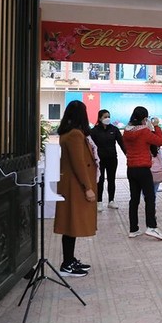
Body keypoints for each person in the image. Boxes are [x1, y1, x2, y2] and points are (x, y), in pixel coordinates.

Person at [54, 100, 98, 277]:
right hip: (75, 186)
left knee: (71, 223)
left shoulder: (68, 132)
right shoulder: (74, 135)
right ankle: (67, 264)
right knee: (72, 223)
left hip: (72, 184)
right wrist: (87, 187)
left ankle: (70, 259)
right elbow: (79, 163)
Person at [123, 107, 162, 240]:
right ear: (144, 118)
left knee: (134, 199)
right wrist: (156, 126)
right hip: (143, 168)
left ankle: (133, 229)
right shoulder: (144, 132)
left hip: (131, 169)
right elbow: (160, 141)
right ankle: (151, 227)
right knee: (150, 198)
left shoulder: (126, 131)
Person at [90, 109, 126, 212]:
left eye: (108, 116)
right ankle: (99, 202)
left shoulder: (114, 129)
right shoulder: (94, 131)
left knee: (111, 179)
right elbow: (90, 146)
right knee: (100, 180)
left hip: (112, 159)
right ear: (100, 118)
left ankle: (111, 200)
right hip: (99, 160)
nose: (107, 119)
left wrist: (127, 154)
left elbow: (121, 143)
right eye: (105, 117)